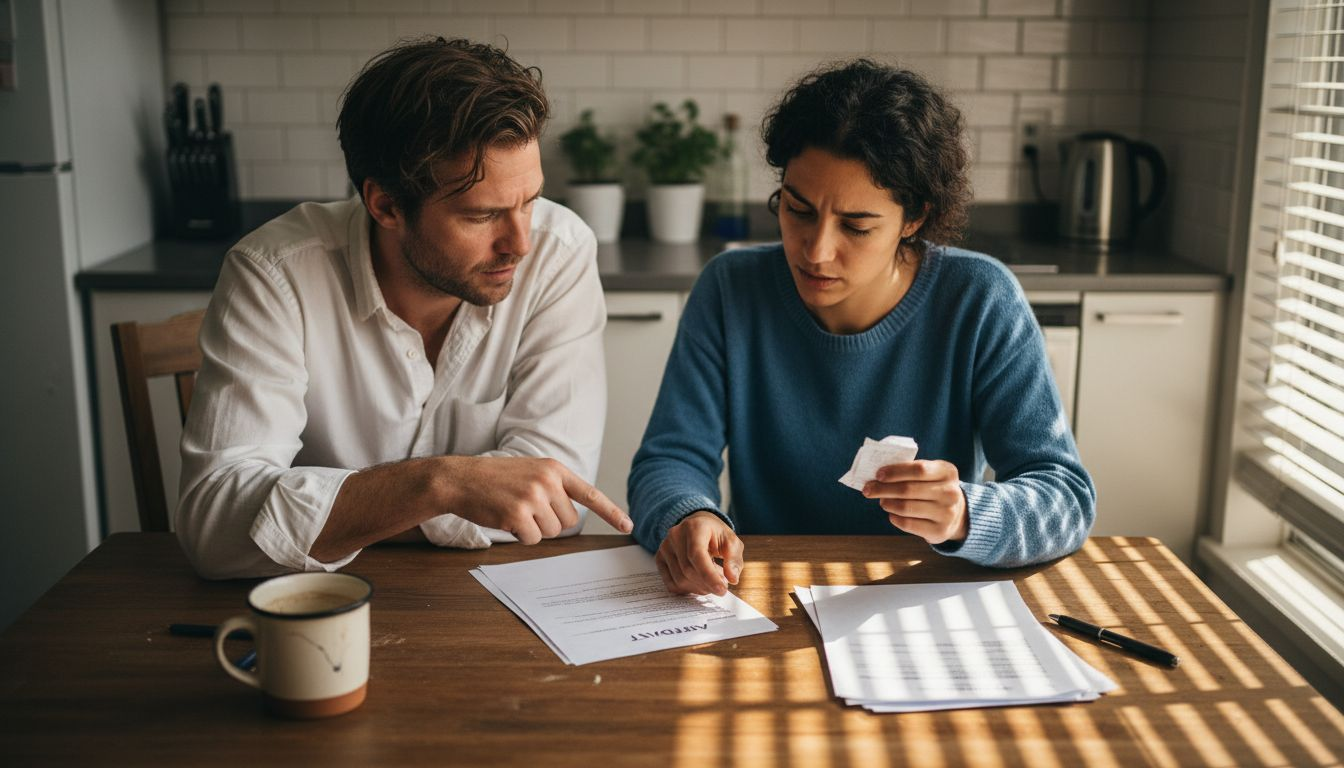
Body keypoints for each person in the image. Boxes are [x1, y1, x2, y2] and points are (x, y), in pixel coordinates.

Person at [628, 60, 1096, 596]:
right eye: (798, 210)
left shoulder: (980, 298)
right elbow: (670, 458)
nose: (817, 250)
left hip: (921, 600)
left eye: (856, 225)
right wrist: (688, 516)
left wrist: (969, 512)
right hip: (761, 593)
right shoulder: (730, 289)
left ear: (914, 218)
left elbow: (1065, 499)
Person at [177, 38, 631, 579]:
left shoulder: (561, 250)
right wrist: (441, 485)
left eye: (529, 201)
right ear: (386, 205)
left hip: (490, 607)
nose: (521, 243)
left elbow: (556, 501)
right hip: (320, 611)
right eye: (482, 216)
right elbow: (215, 526)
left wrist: (344, 515)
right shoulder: (274, 273)